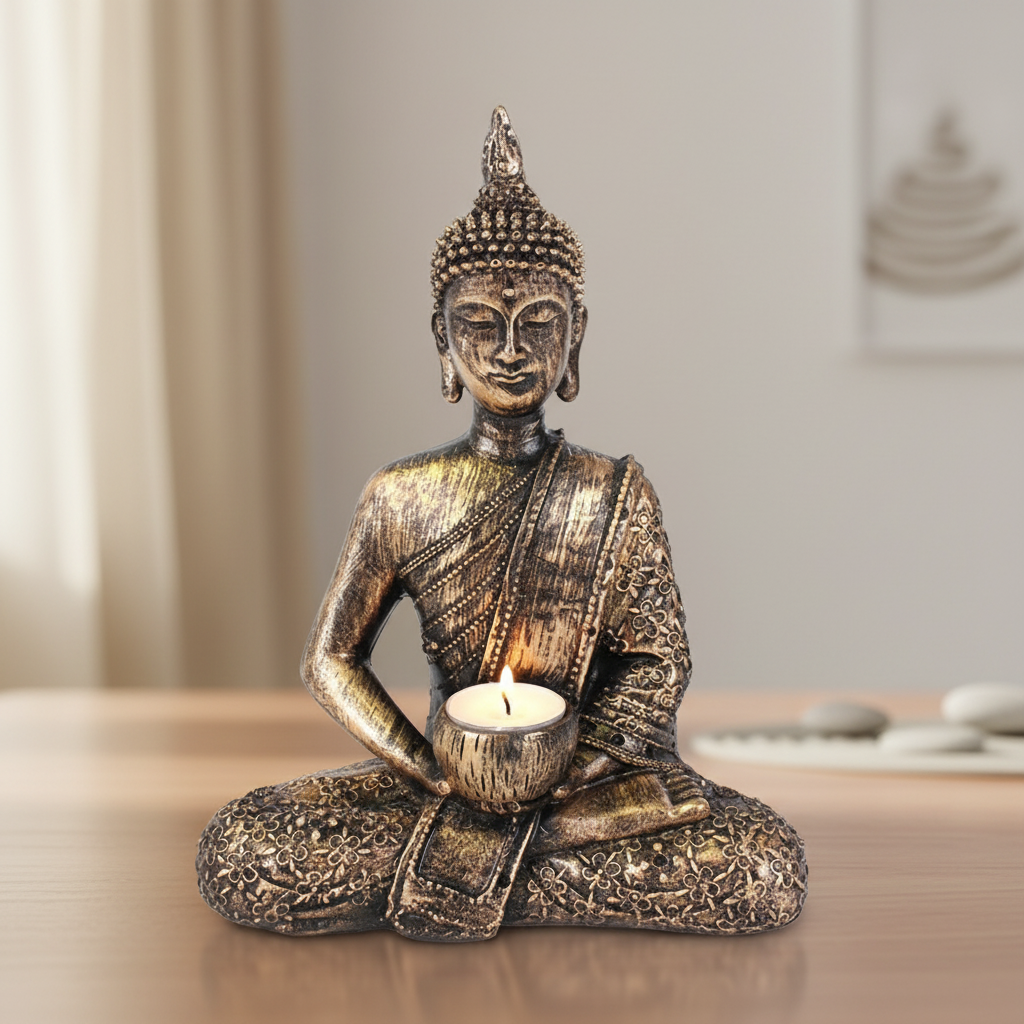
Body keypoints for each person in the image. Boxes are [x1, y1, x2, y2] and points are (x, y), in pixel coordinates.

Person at [197, 108, 807, 941]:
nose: (510, 349)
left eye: (538, 324)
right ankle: (529, 865)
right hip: (447, 776)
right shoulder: (401, 493)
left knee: (759, 865)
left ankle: (483, 861)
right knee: (247, 848)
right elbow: (330, 657)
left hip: (581, 781)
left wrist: (570, 769)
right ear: (442, 343)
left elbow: (660, 664)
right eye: (480, 324)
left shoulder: (613, 492)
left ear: (576, 337)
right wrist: (430, 770)